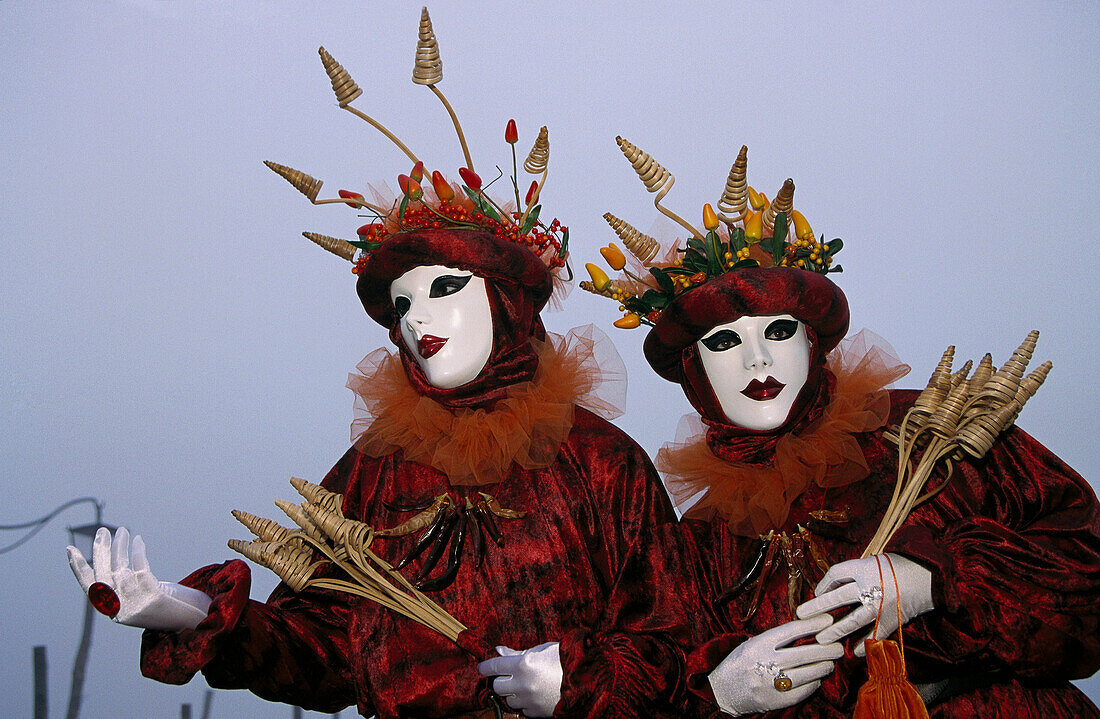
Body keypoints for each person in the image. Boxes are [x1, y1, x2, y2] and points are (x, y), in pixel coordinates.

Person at [67, 20, 700, 717]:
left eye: (446, 287)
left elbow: (671, 645)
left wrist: (575, 683)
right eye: (401, 302)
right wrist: (184, 610)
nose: (417, 319)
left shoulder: (603, 464)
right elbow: (321, 645)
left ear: (509, 300)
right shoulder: (375, 470)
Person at [586, 145, 1100, 716]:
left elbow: (1086, 579)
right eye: (725, 342)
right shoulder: (701, 539)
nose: (757, 362)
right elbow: (662, 678)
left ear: (812, 340)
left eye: (777, 331)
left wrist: (935, 578)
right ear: (693, 371)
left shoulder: (926, 435)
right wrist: (723, 695)